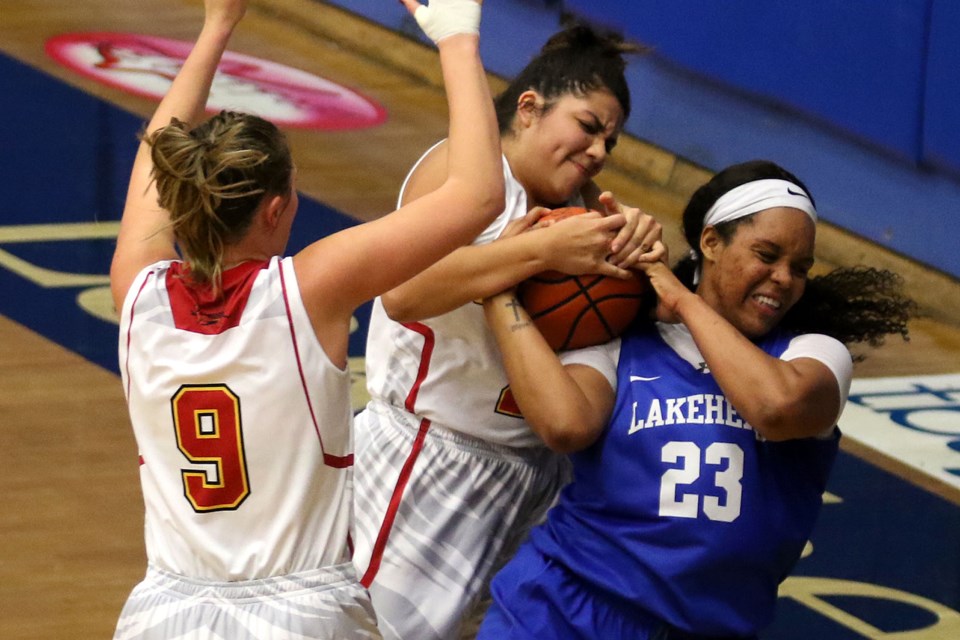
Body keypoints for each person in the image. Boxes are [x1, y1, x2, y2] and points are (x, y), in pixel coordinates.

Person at [109, 0, 503, 637]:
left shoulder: (138, 295)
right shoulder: (309, 288)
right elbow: (479, 194)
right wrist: (458, 39)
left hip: (167, 616)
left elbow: (154, 164)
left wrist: (216, 28)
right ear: (274, 210)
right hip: (300, 618)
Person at [477, 159, 916, 639]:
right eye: (766, 255)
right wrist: (500, 291)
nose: (783, 278)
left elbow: (774, 407)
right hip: (561, 609)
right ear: (711, 243)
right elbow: (564, 425)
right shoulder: (624, 340)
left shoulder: (814, 354)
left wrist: (682, 298)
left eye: (800, 268)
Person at [350, 21, 663, 640]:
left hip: (534, 480)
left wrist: (650, 248)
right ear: (529, 108)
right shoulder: (467, 173)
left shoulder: (591, 217)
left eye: (612, 141)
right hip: (426, 461)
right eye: (588, 126)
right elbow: (401, 291)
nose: (600, 151)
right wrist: (538, 257)